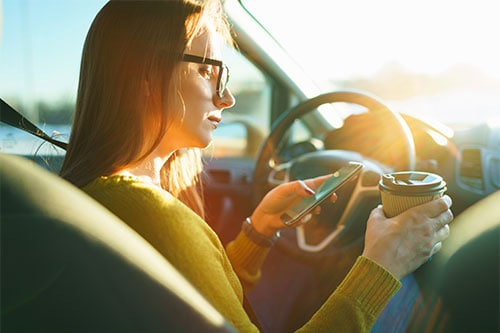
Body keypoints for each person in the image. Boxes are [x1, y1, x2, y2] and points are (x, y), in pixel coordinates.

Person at [60, 0, 454, 331]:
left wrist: (259, 230)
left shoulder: (103, 197)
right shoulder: (153, 213)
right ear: (144, 73)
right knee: (408, 294)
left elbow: (196, 303)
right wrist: (383, 264)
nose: (226, 97)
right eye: (208, 71)